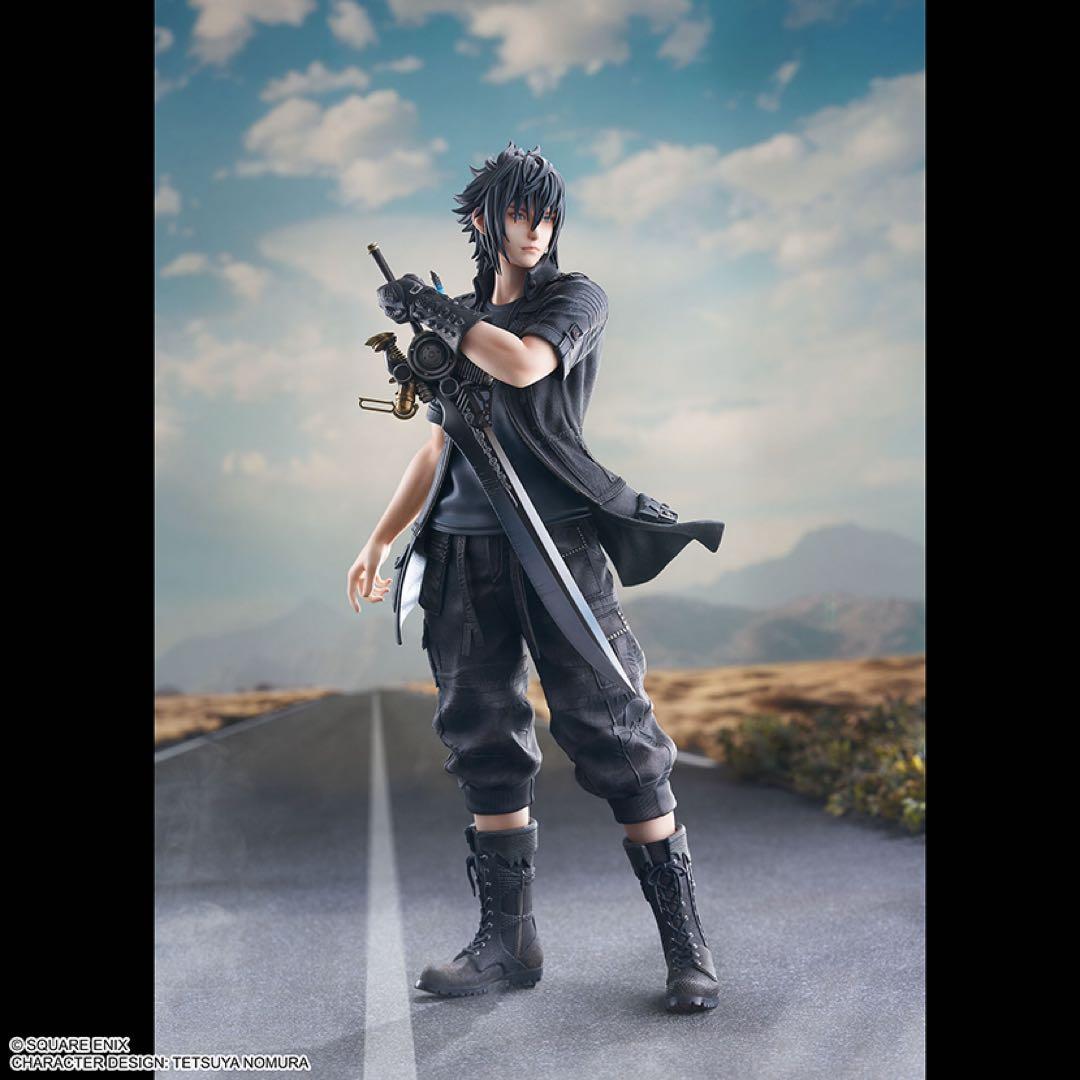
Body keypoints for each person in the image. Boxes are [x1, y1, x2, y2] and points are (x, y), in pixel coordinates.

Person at [346, 143, 724, 1013]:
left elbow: (521, 365)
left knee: (615, 731)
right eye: (521, 212)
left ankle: (686, 948)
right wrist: (379, 538)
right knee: (482, 739)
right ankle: (506, 946)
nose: (537, 229)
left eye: (548, 214)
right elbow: (438, 442)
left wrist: (434, 310)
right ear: (485, 219)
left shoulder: (575, 300)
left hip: (556, 547)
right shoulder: (462, 316)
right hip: (460, 554)